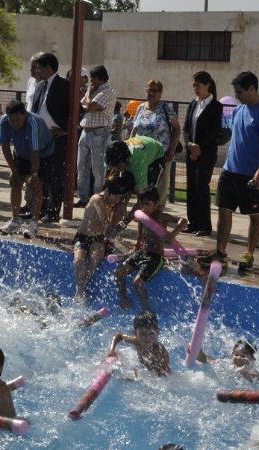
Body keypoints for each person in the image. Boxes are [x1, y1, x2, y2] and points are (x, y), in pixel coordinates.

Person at [198, 71, 259, 271]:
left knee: (255, 215)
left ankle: (249, 254)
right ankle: (220, 252)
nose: (237, 95)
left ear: (252, 89)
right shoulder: (240, 109)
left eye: (240, 92)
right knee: (224, 211)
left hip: (251, 173)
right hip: (230, 170)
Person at [114, 186, 187, 311]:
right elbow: (140, 230)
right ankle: (124, 301)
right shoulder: (143, 217)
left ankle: (147, 311)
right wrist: (137, 244)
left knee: (137, 282)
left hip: (156, 257)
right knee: (119, 273)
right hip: (143, 253)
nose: (144, 207)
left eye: (148, 204)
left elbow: (183, 221)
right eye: (142, 204)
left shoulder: (161, 217)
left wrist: (172, 234)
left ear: (156, 204)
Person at [73, 170, 135, 301]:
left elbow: (114, 228)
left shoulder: (114, 204)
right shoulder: (97, 199)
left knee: (95, 260)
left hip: (98, 239)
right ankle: (79, 291)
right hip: (82, 237)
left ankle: (82, 287)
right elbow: (105, 223)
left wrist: (122, 241)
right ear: (106, 191)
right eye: (116, 196)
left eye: (120, 197)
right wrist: (119, 239)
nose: (118, 200)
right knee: (79, 261)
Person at [0, 100, 55, 239]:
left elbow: (35, 153)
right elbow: (5, 147)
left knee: (36, 186)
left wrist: (34, 175)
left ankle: (34, 224)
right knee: (15, 182)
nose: (15, 123)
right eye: (12, 120)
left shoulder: (33, 123)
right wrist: (14, 170)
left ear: (25, 115)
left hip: (42, 153)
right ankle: (15, 221)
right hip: (21, 152)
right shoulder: (4, 121)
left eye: (18, 119)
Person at [31, 52, 70, 223]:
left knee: (55, 175)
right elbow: (34, 109)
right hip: (40, 137)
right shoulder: (40, 85)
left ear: (48, 68)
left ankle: (53, 211)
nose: (37, 71)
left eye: (39, 67)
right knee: (41, 175)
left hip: (56, 137)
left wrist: (65, 130)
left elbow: (76, 111)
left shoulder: (65, 85)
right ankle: (41, 209)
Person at [183, 71, 223, 237]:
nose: (195, 88)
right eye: (194, 85)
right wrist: (189, 144)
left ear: (207, 85)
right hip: (191, 151)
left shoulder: (216, 106)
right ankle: (193, 223)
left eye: (198, 85)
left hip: (206, 153)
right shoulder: (193, 104)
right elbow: (186, 128)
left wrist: (199, 147)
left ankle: (204, 225)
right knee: (191, 187)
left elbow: (214, 132)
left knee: (201, 187)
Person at [130, 79, 181, 205]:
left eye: (155, 90)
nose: (151, 93)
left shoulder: (166, 108)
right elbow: (134, 129)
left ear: (160, 93)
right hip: (141, 156)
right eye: (149, 90)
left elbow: (177, 129)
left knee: (159, 188)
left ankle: (158, 217)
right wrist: (129, 146)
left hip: (160, 155)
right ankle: (141, 214)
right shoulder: (140, 108)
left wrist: (171, 151)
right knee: (142, 185)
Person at [76, 65, 116, 208]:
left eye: (92, 78)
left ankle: (97, 200)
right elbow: (83, 105)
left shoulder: (108, 91)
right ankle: (83, 198)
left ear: (100, 78)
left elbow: (90, 107)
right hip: (85, 130)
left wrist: (87, 93)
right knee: (81, 166)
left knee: (97, 168)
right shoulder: (96, 90)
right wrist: (88, 99)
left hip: (99, 132)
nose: (90, 81)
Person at [108, 311, 171, 377]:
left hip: (157, 374)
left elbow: (165, 373)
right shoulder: (136, 341)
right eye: (142, 334)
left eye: (151, 333)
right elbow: (118, 336)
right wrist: (112, 350)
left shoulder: (160, 351)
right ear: (135, 333)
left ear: (158, 332)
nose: (147, 338)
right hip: (145, 369)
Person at [194, 338, 259, 382]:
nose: (238, 358)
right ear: (232, 355)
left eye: (244, 356)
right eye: (236, 355)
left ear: (252, 359)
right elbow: (208, 360)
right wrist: (199, 352)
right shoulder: (227, 364)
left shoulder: (252, 370)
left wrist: (247, 376)